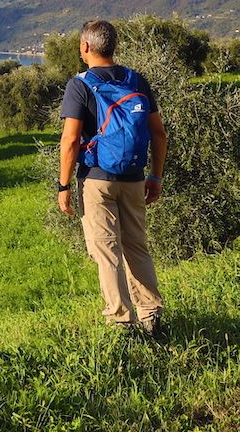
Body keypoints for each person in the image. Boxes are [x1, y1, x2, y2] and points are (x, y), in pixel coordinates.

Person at [57, 19, 168, 339]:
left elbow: (70, 141)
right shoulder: (137, 80)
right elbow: (158, 133)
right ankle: (151, 315)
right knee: (137, 246)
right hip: (134, 178)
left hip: (96, 180)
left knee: (106, 251)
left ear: (85, 47)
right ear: (114, 46)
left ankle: (122, 322)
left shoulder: (80, 85)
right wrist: (155, 176)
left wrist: (64, 185)